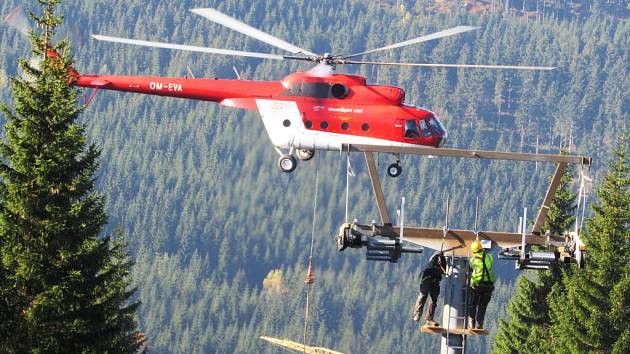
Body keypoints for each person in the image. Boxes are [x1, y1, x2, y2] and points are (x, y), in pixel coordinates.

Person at [413, 251, 447, 326]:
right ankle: (417, 314)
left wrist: (442, 259)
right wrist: (438, 257)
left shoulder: (442, 260)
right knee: (423, 296)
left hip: (435, 281)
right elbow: (432, 263)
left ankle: (429, 318)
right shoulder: (434, 258)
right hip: (427, 279)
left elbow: (444, 270)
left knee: (433, 300)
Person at [467, 240, 495, 330]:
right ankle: (479, 325)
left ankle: (471, 324)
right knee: (482, 306)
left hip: (477, 286)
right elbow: (490, 260)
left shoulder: (472, 260)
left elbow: (471, 268)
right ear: (481, 248)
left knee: (472, 304)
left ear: (473, 251)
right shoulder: (489, 257)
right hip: (488, 286)